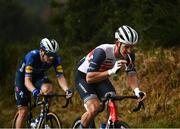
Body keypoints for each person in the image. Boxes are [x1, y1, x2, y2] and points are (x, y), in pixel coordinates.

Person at [75, 25, 146, 128]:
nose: (130, 50)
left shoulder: (129, 55)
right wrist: (111, 71)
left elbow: (131, 74)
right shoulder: (102, 51)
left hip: (100, 76)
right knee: (94, 108)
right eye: (126, 46)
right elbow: (89, 78)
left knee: (111, 98)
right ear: (118, 43)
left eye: (132, 46)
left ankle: (108, 125)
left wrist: (137, 91)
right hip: (84, 77)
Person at [14, 38, 73, 128]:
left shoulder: (55, 59)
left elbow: (60, 77)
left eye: (54, 54)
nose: (52, 57)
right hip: (23, 78)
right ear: (42, 51)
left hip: (38, 76)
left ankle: (41, 117)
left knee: (48, 89)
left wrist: (67, 90)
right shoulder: (32, 56)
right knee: (23, 111)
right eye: (49, 55)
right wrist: (35, 91)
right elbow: (27, 81)